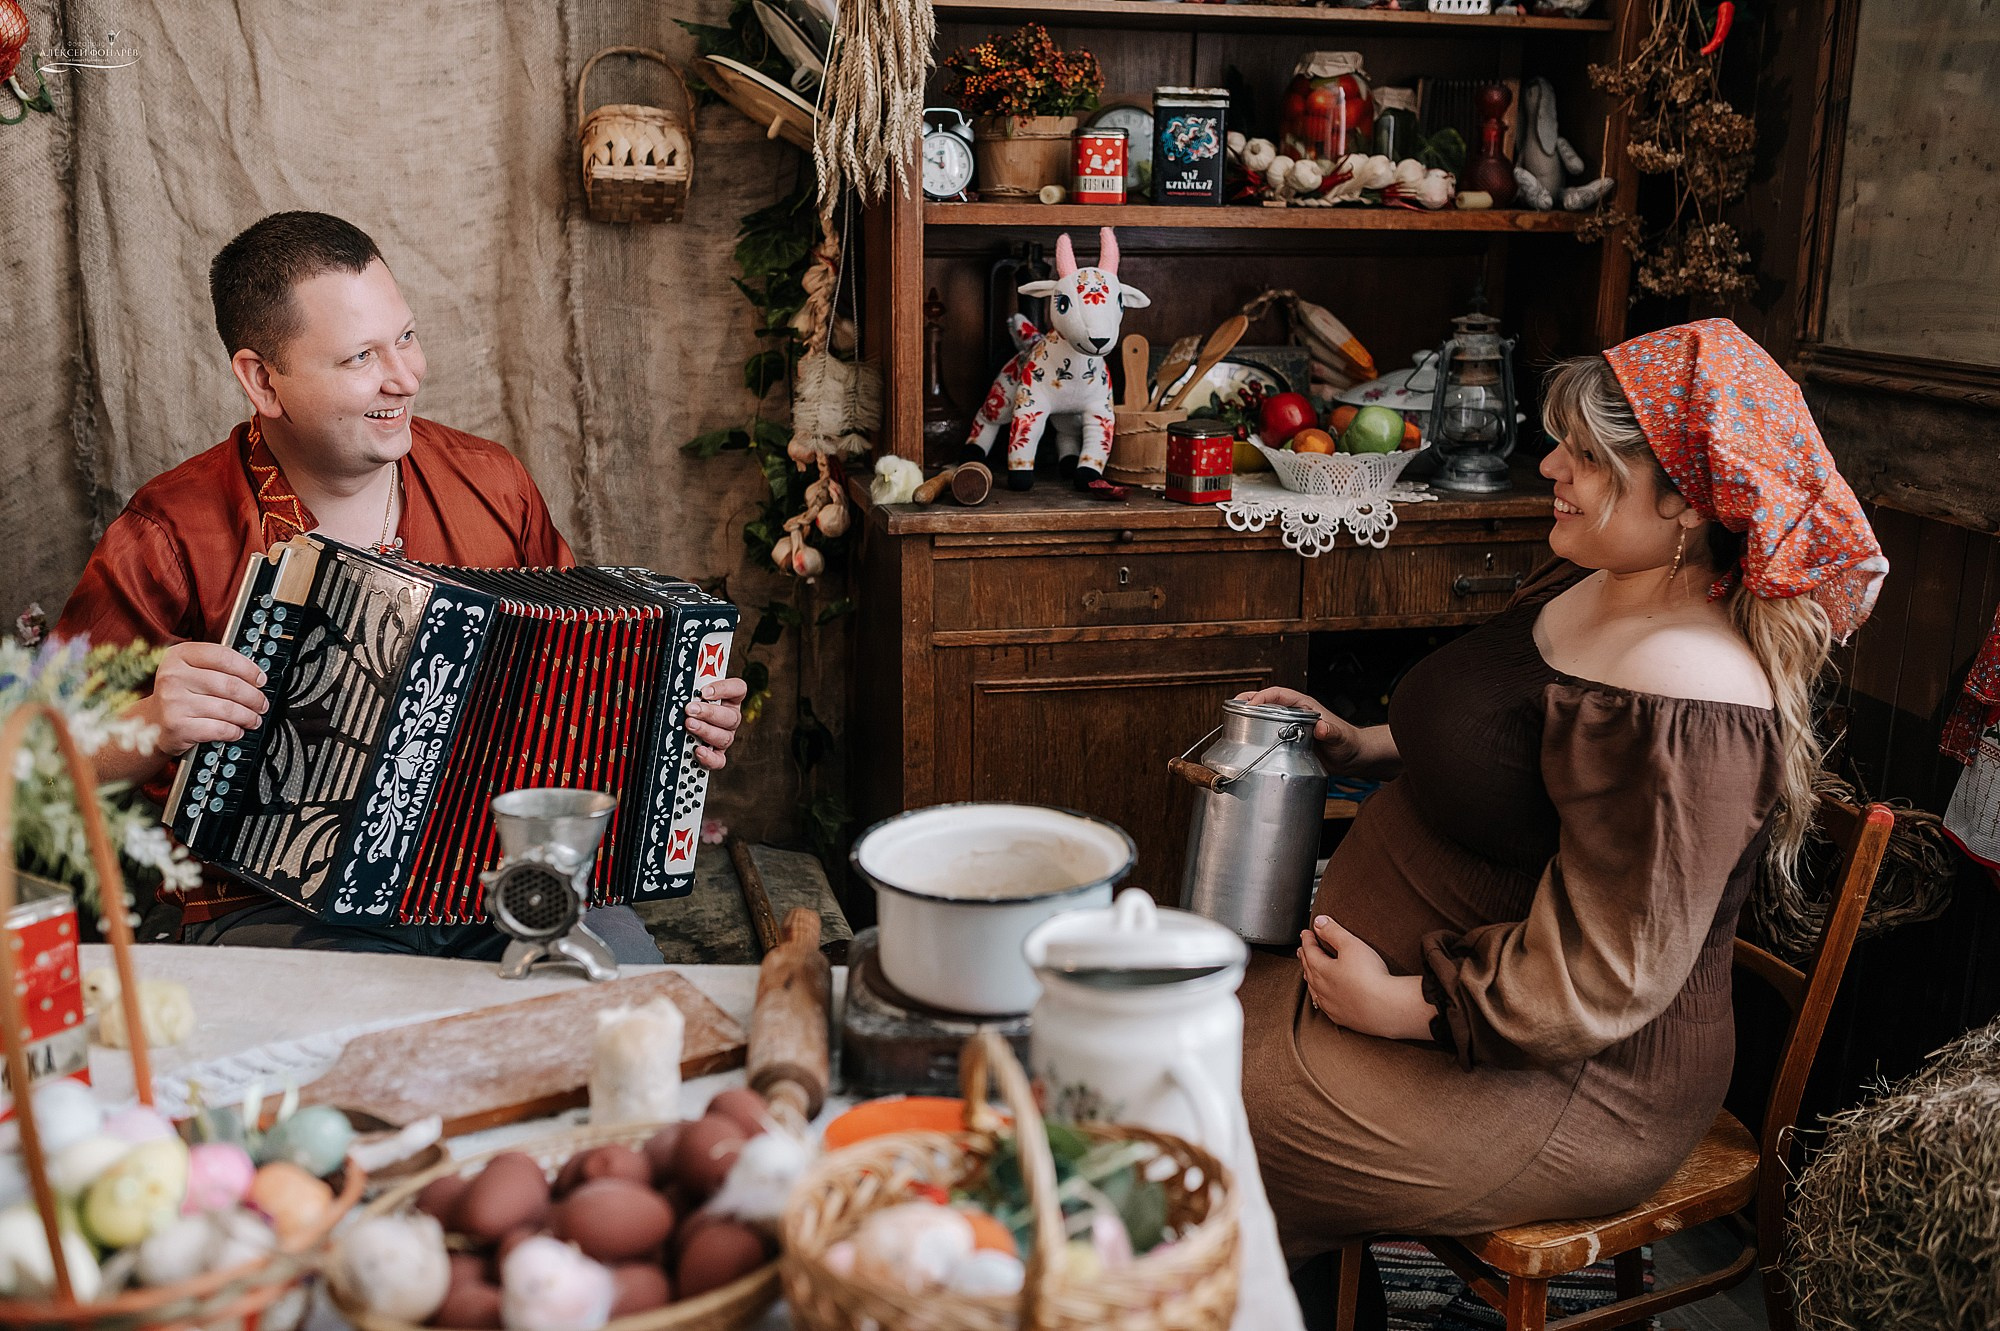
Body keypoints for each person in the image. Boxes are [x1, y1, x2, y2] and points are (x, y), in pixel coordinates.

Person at [1234, 319, 1888, 1326]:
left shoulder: (1688, 685)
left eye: (1584, 455)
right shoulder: (1602, 578)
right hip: (1435, 1014)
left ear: (1684, 499)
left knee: (1202, 1122)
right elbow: (1509, 739)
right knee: (1162, 1034)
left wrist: (1403, 1006)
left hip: (1565, 1076)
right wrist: (1362, 744)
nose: (1550, 467)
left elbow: (1610, 971)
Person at [56, 211, 748, 959]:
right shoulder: (168, 532)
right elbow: (34, 764)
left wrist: (674, 717)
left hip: (500, 881)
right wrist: (151, 724)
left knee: (625, 986)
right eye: (361, 357)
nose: (406, 378)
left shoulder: (493, 484)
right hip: (270, 910)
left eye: (407, 337)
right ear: (262, 380)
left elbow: (584, 686)